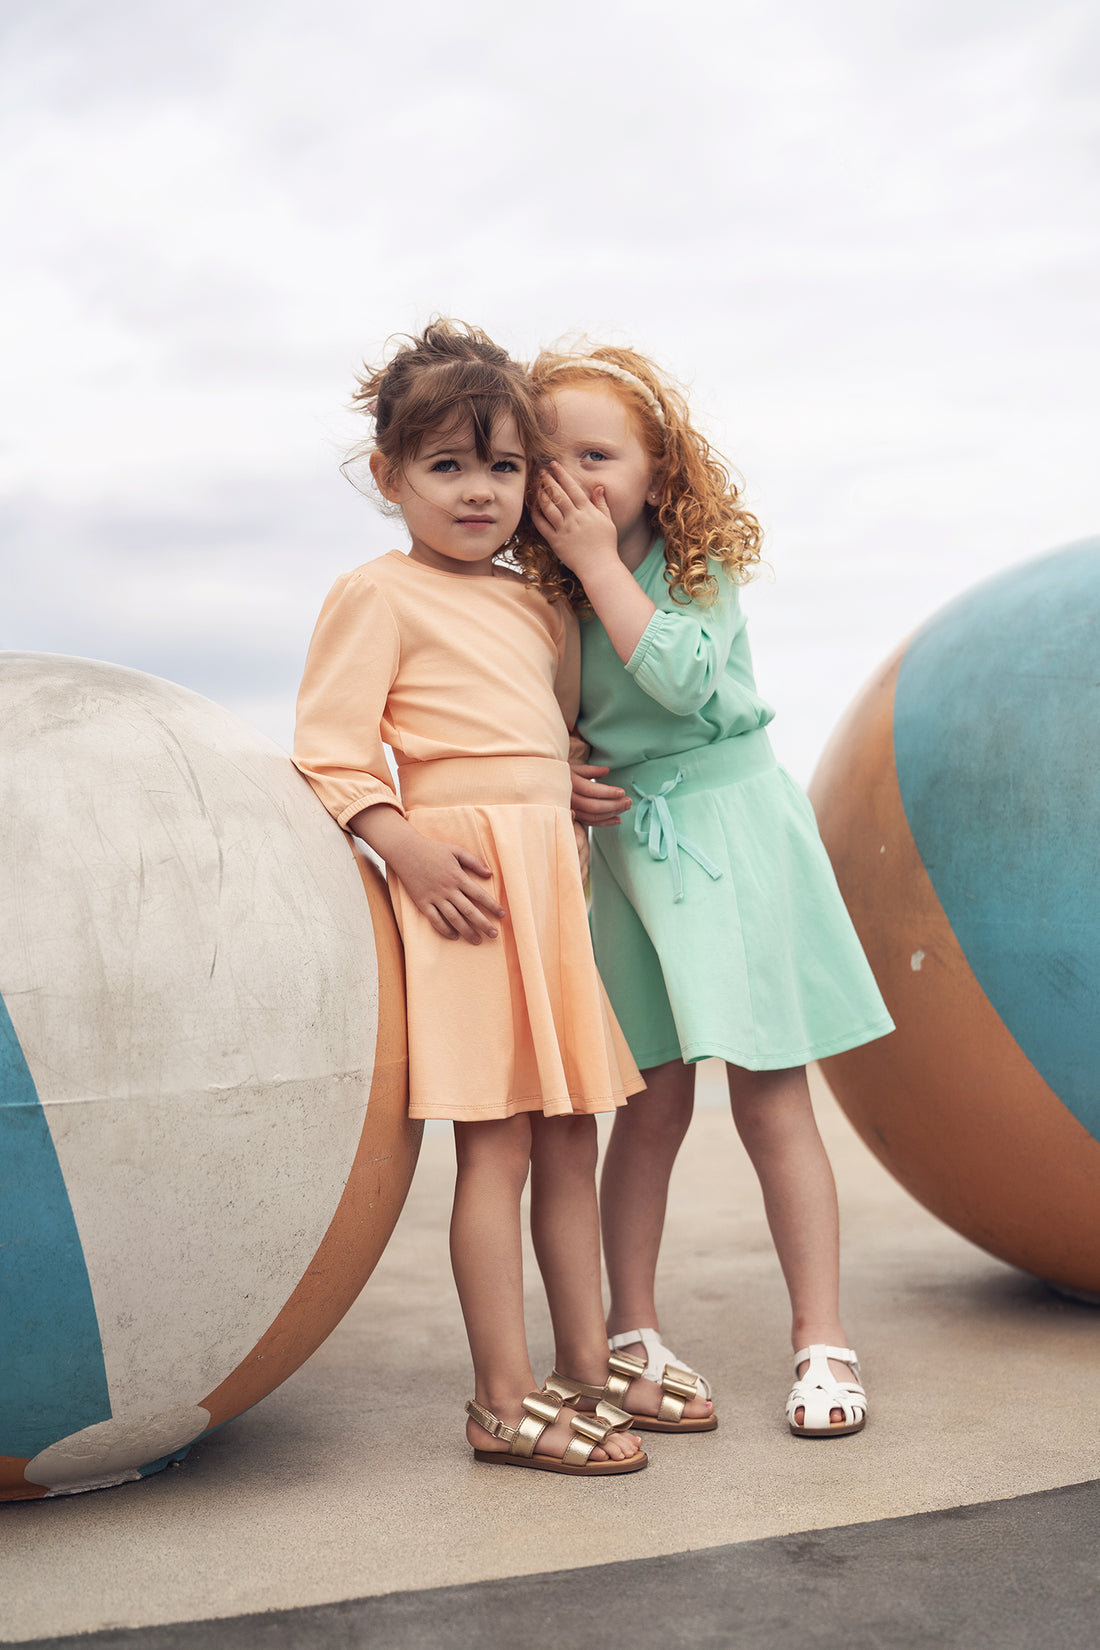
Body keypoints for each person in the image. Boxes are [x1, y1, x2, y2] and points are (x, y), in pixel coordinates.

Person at [293, 322, 707, 1476]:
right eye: (445, 466)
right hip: (466, 888)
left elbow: (549, 729)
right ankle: (500, 1398)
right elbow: (330, 753)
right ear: (390, 478)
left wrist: (559, 782)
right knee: (500, 1149)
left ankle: (583, 1363)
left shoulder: (537, 604)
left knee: (571, 1133)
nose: (479, 491)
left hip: (548, 880)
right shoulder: (374, 595)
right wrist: (402, 845)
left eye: (503, 466)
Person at [526, 343, 894, 1437]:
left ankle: (819, 1338)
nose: (573, 479)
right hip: (633, 849)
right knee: (647, 1099)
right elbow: (547, 715)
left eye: (597, 453)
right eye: (547, 457)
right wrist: (560, 770)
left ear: (656, 469)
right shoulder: (541, 598)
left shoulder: (692, 566)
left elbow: (682, 680)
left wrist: (599, 564)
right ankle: (628, 1327)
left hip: (732, 831)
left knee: (770, 1092)